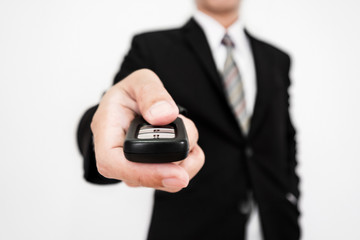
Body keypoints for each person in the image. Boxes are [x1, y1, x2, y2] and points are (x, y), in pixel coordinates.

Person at [77, 0, 301, 239]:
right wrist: (100, 135)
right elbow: (116, 108)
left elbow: (285, 138)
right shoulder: (153, 47)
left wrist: (292, 196)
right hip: (191, 228)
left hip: (274, 226)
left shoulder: (277, 59)